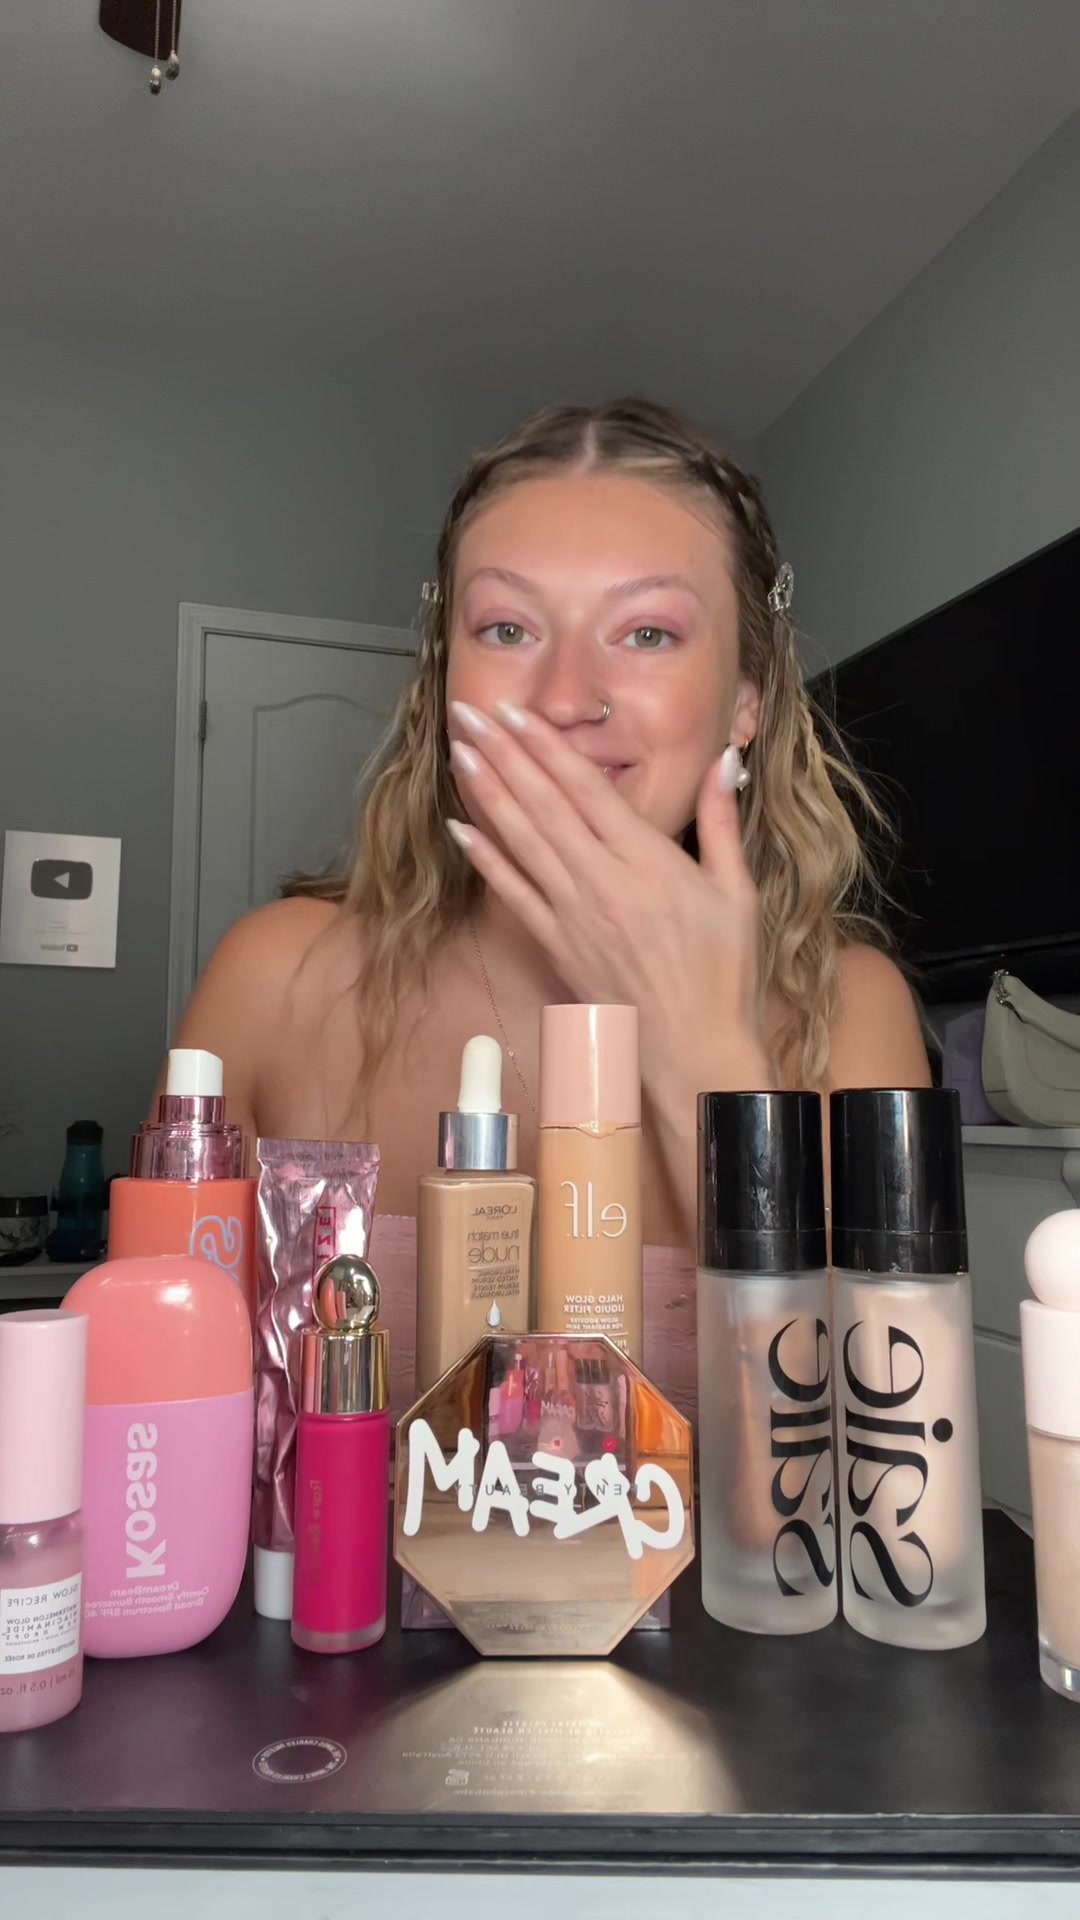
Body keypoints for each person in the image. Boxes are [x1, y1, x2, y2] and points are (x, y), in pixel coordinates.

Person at [168, 399, 929, 1249]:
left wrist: (708, 1067)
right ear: (443, 685)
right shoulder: (277, 980)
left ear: (744, 701)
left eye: (647, 633)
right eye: (508, 628)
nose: (566, 699)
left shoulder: (850, 1013)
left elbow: (834, 1345)